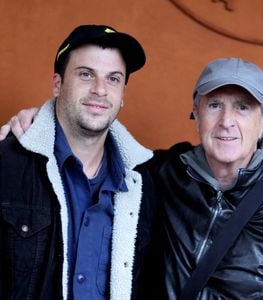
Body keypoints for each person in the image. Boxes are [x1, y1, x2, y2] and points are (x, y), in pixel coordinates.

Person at [2, 58, 263, 299]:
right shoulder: (154, 174)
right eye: (214, 105)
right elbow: (90, 143)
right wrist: (42, 122)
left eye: (243, 107)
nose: (226, 121)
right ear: (195, 112)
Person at [0, 24, 155, 300]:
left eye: (113, 79)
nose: (100, 89)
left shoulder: (142, 183)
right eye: (86, 74)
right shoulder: (7, 164)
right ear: (57, 84)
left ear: (122, 96)